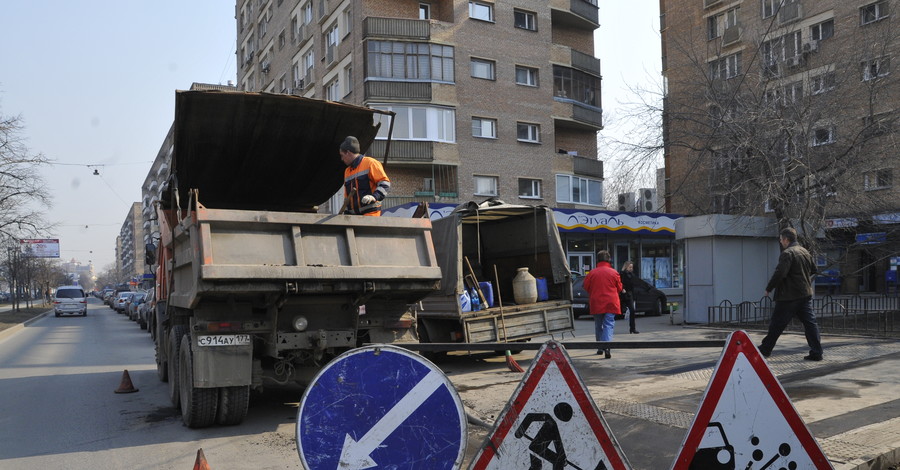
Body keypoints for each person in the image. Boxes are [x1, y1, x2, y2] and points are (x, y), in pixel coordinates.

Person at [758, 227, 823, 361]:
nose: (781, 242)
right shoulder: (804, 251)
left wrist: (769, 288)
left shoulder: (787, 253)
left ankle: (765, 350)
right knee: (810, 324)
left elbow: (780, 273)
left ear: (786, 240)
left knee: (777, 324)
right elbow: (814, 269)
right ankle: (817, 352)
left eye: (781, 240)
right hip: (805, 294)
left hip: (789, 296)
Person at [583, 250, 623, 358]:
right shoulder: (614, 272)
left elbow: (586, 286)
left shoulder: (592, 273)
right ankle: (607, 347)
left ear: (598, 260)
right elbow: (619, 288)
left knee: (598, 325)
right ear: (609, 260)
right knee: (608, 325)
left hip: (596, 302)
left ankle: (600, 347)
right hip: (611, 302)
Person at [339, 136, 391, 216]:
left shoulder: (370, 163)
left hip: (370, 215)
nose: (342, 159)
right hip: (354, 217)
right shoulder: (347, 171)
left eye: (342, 155)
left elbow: (385, 184)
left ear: (348, 152)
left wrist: (374, 197)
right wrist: (346, 213)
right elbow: (347, 197)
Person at [620, 261, 638, 334]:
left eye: (632, 267)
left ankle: (632, 328)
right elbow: (619, 282)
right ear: (626, 267)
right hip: (623, 294)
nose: (631, 268)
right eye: (630, 267)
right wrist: (622, 289)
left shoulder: (632, 275)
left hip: (630, 294)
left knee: (632, 311)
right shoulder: (622, 274)